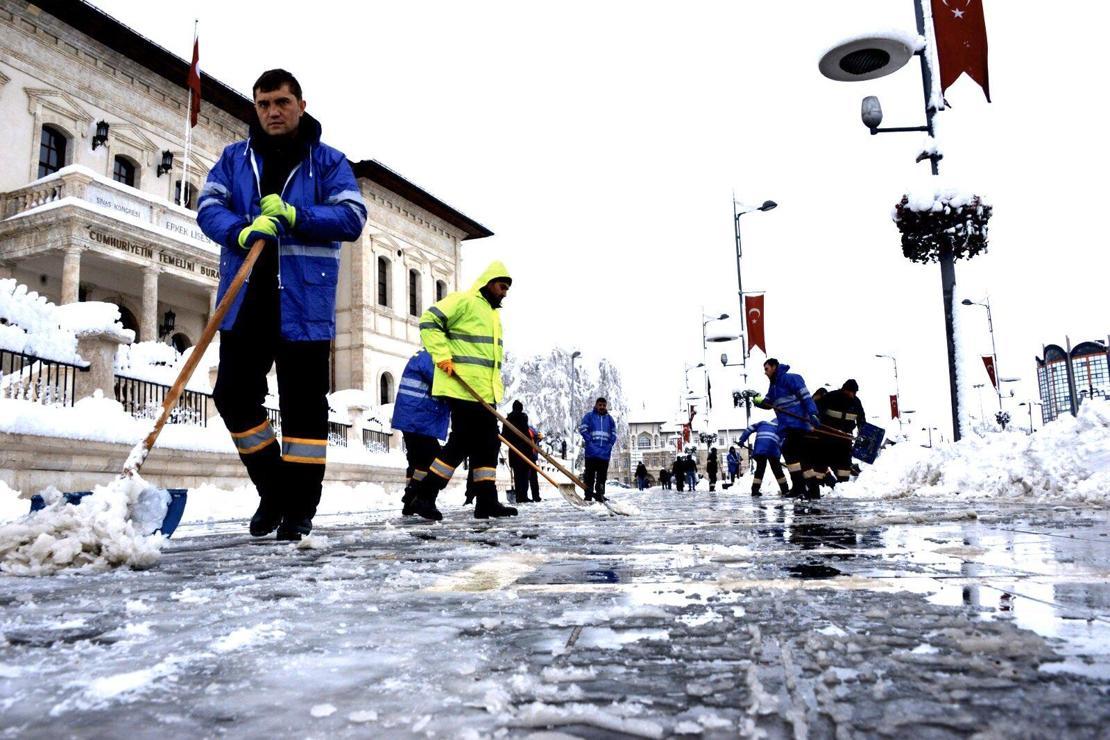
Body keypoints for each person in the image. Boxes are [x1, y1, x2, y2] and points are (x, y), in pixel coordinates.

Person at [198, 69, 367, 540]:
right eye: (264, 103)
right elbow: (208, 207)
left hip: (304, 302)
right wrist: (240, 229)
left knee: (304, 410)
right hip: (245, 295)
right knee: (232, 394)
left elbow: (352, 216)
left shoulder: (328, 162)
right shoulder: (234, 159)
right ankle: (274, 489)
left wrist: (296, 215)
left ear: (301, 105)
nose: (272, 111)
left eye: (281, 102)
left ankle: (300, 510)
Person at [407, 261, 517, 520]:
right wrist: (442, 355)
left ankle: (486, 501)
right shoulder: (464, 301)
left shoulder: (492, 315)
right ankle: (424, 495)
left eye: (507, 290)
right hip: (462, 388)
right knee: (461, 443)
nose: (504, 293)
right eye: (502, 287)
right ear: (489, 282)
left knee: (488, 445)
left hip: (485, 392)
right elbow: (429, 321)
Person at [749, 358, 820, 499]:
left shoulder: (792, 379)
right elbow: (768, 403)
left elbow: (805, 396)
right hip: (787, 426)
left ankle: (801, 488)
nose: (765, 372)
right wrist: (757, 401)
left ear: (775, 367)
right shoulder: (773, 387)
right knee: (799, 456)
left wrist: (813, 413)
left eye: (767, 369)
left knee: (791, 452)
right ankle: (810, 489)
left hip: (798, 423)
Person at [392, 349, 449, 516]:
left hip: (414, 416)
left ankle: (410, 502)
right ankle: (420, 499)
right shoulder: (431, 357)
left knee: (417, 461)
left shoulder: (425, 355)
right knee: (433, 459)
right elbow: (443, 384)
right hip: (418, 417)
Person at [818, 379, 866, 485]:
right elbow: (818, 412)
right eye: (851, 392)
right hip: (829, 436)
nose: (852, 395)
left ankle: (843, 485)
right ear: (844, 390)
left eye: (854, 393)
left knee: (844, 462)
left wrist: (863, 434)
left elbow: (861, 419)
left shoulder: (856, 402)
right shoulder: (831, 397)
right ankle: (823, 484)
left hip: (846, 438)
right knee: (826, 460)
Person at [738, 419, 790, 496]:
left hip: (759, 449)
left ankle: (755, 490)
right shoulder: (781, 428)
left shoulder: (762, 423)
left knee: (760, 470)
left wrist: (742, 440)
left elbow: (749, 429)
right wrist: (779, 457)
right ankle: (785, 490)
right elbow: (781, 444)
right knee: (777, 470)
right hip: (772, 449)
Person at [579, 397, 618, 502]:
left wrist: (610, 445)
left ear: (606, 406)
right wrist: (589, 441)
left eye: (604, 405)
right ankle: (588, 496)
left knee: (602, 477)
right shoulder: (589, 416)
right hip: (591, 453)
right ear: (596, 405)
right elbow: (582, 428)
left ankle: (600, 495)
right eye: (600, 405)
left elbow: (614, 434)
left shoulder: (610, 419)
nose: (602, 407)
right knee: (589, 476)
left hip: (604, 454)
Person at [505, 400, 533, 504]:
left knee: (517, 475)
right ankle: (523, 496)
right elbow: (526, 433)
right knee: (525, 475)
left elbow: (505, 435)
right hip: (525, 450)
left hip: (514, 451)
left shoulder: (507, 420)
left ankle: (519, 496)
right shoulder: (523, 417)